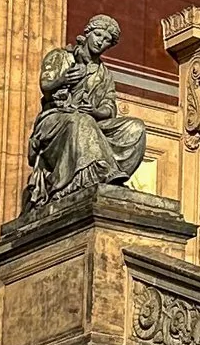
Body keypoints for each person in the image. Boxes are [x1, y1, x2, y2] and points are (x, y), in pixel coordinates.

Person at [22, 16, 148, 216]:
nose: (100, 41)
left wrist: (96, 111)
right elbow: (46, 84)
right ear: (88, 33)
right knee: (81, 121)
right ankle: (97, 175)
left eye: (106, 40)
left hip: (91, 121)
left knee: (136, 128)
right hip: (56, 118)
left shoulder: (104, 74)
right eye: (98, 35)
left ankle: (107, 175)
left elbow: (109, 106)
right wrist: (63, 79)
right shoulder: (62, 57)